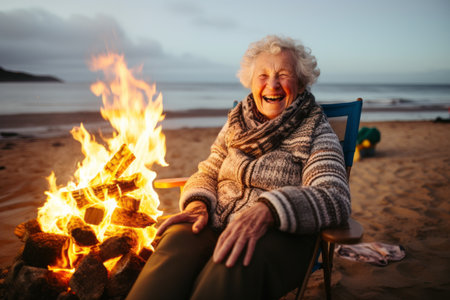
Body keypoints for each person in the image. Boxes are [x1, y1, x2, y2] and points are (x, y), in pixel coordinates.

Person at [126, 35, 351, 300]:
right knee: (175, 245)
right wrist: (198, 202)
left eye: (283, 74)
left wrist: (269, 209)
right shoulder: (236, 122)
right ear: (252, 82)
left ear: (301, 83)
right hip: (216, 219)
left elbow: (334, 196)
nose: (273, 84)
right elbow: (209, 170)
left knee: (229, 266)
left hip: (280, 234)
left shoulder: (316, 130)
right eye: (263, 75)